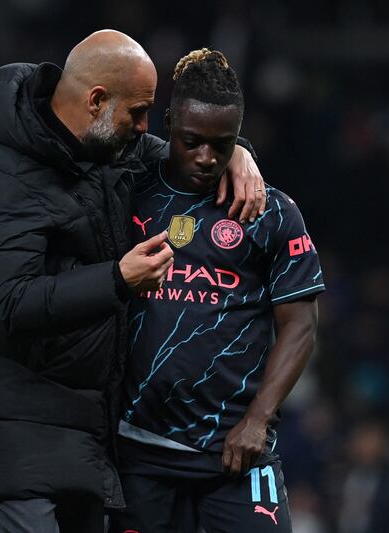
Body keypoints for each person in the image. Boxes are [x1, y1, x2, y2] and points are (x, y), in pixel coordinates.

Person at [0, 31, 266, 532]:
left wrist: (235, 152)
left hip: (85, 430)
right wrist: (118, 279)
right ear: (96, 101)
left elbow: (177, 154)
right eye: (137, 112)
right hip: (16, 431)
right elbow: (7, 302)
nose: (144, 127)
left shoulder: (104, 147)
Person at [113, 49, 325, 533]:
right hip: (138, 447)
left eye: (223, 144)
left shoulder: (270, 211)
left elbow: (301, 325)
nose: (207, 158)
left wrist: (258, 420)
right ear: (168, 123)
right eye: (192, 142)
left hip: (233, 450)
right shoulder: (129, 190)